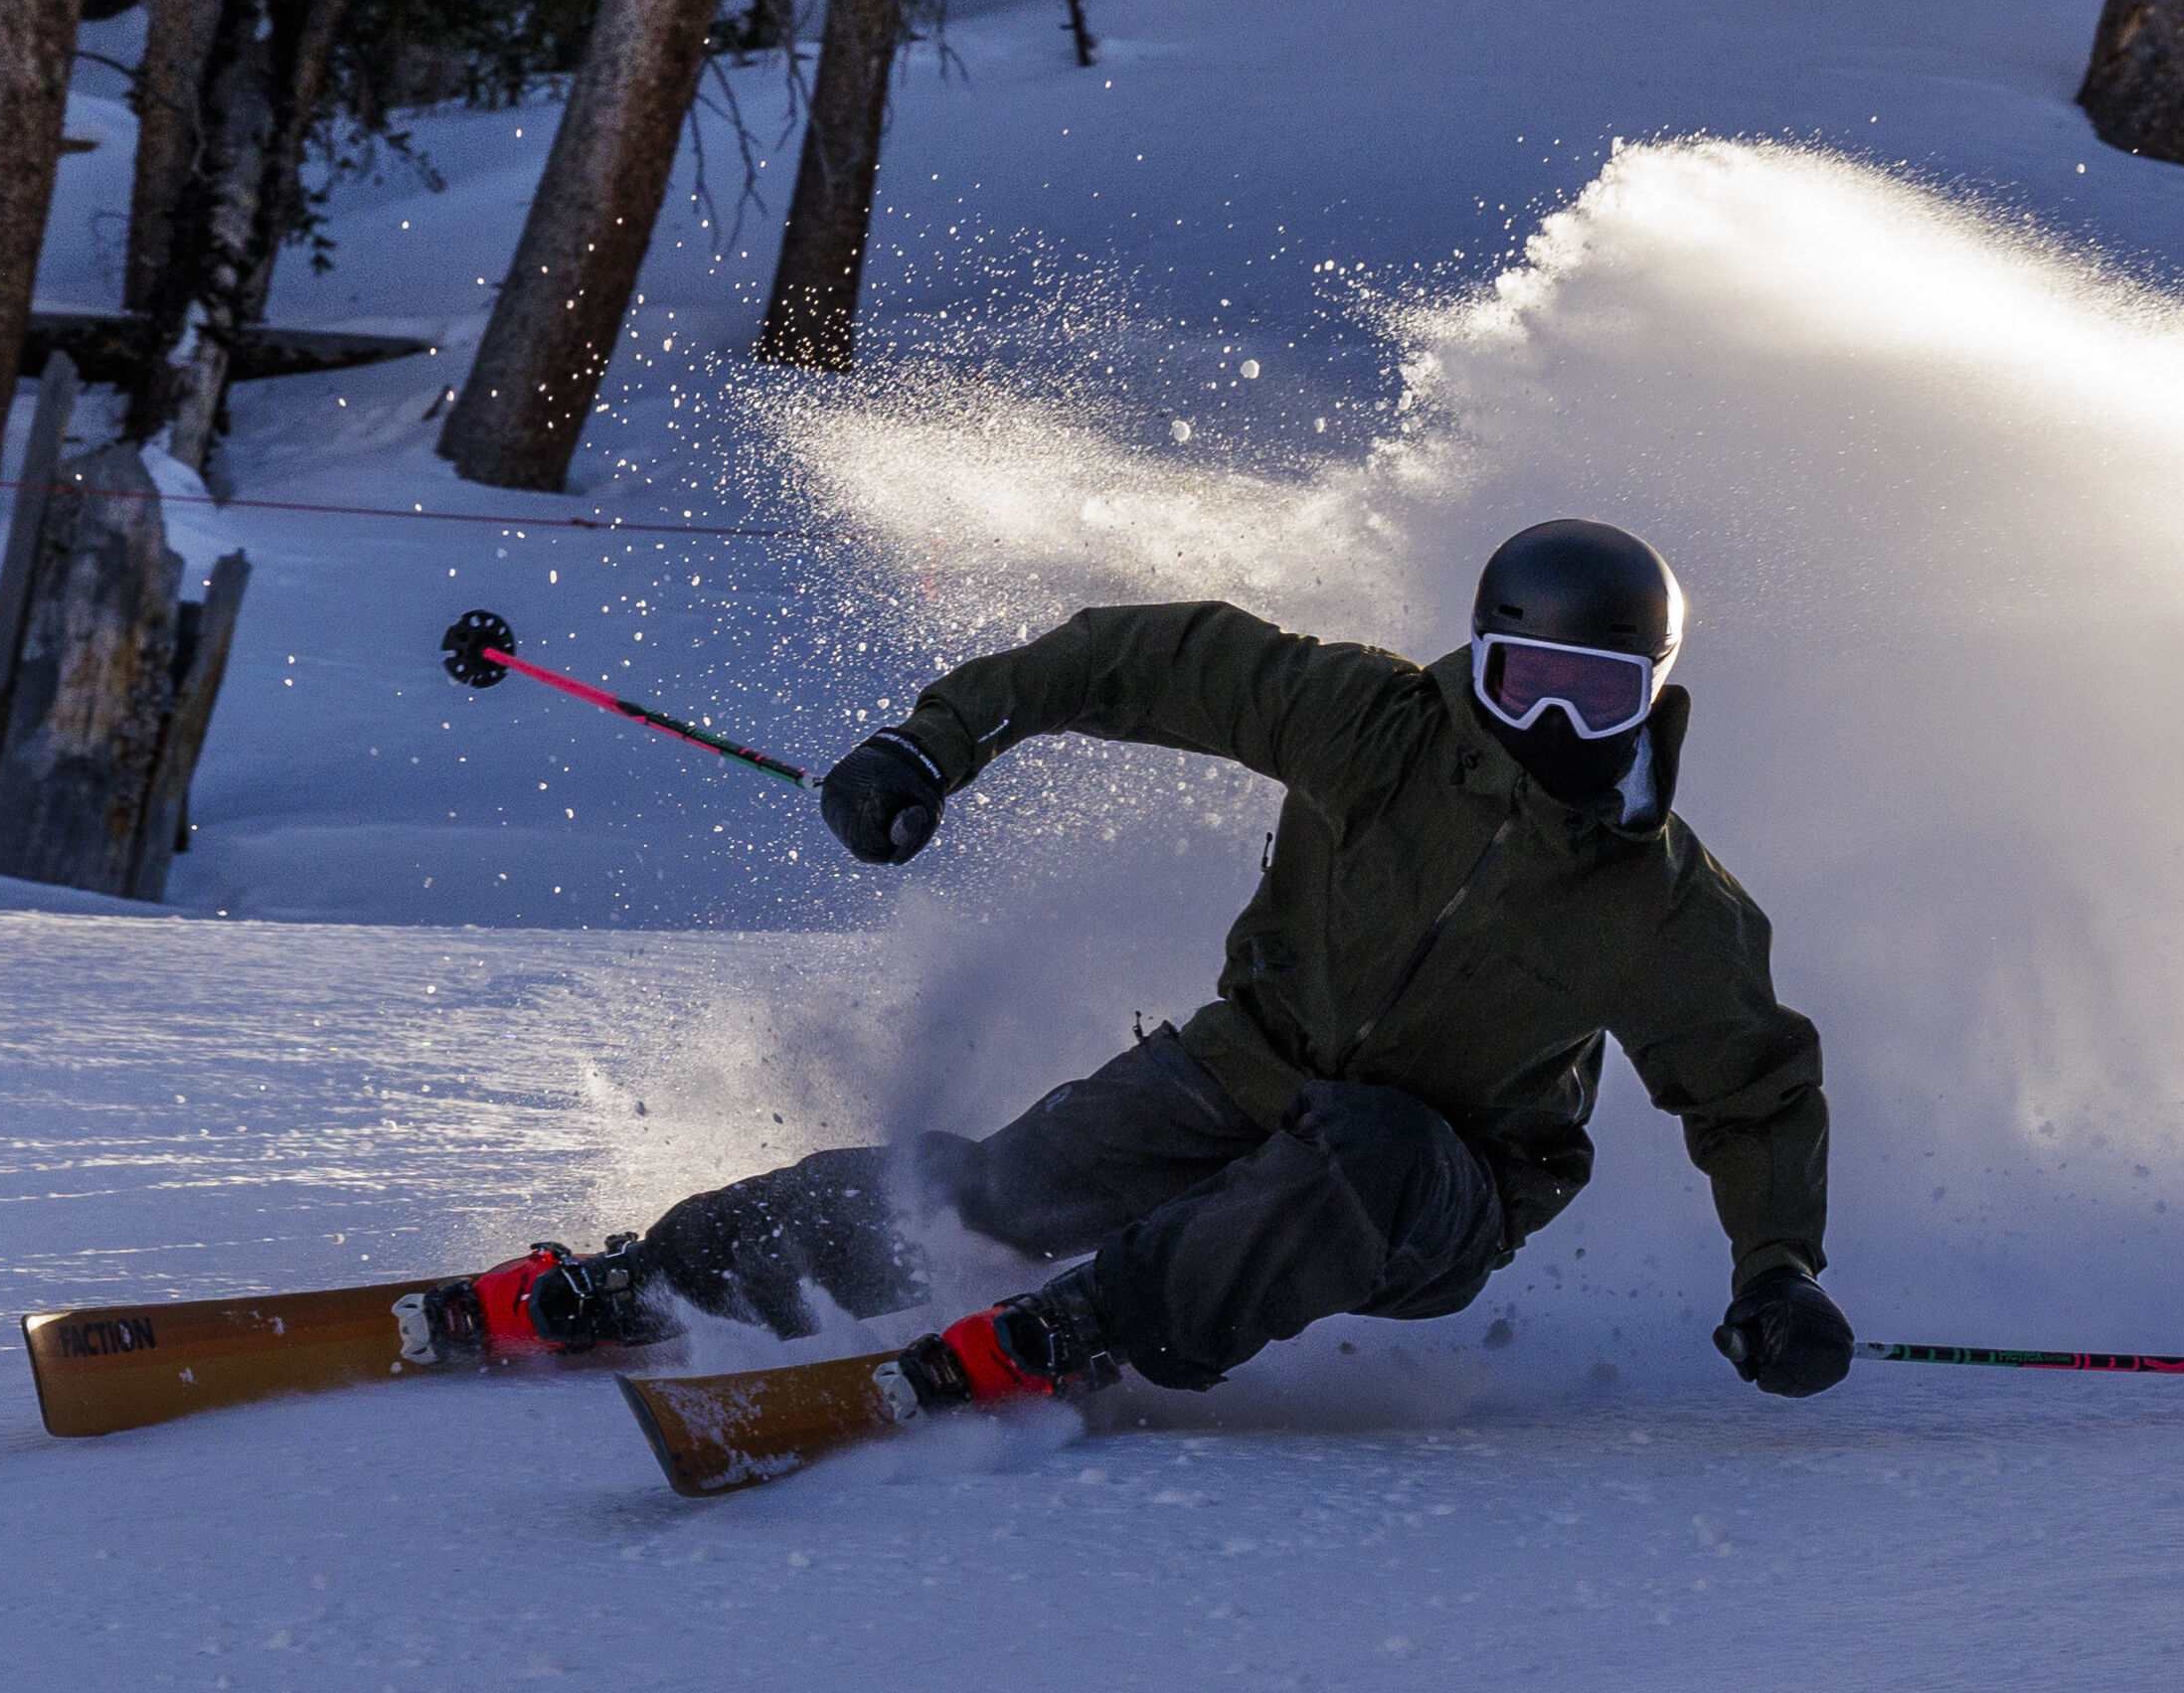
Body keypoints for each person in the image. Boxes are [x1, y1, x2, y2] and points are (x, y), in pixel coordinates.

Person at [601, 517, 1852, 1417]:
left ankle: (1084, 1329)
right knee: (998, 1194)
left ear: (1652, 695)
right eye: (1531, 683)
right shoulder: (1373, 727)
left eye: (1600, 694)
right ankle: (673, 1271)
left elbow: (1755, 1094)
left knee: (1367, 1145)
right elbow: (1144, 659)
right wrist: (931, 745)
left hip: (1440, 1189)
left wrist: (1777, 1271)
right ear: (1482, 661)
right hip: (1243, 1071)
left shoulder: (1668, 907)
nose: (1558, 728)